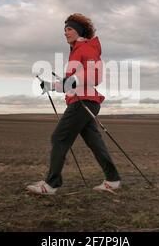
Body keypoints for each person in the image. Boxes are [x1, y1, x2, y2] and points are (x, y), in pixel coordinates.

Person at [26, 13, 121, 195]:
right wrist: (51, 85)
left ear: (78, 31)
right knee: (95, 142)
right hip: (83, 101)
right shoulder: (77, 51)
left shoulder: (86, 48)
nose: (65, 33)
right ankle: (113, 179)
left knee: (59, 138)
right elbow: (71, 82)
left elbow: (95, 76)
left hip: (83, 102)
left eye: (69, 29)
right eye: (64, 30)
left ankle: (51, 184)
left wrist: (70, 81)